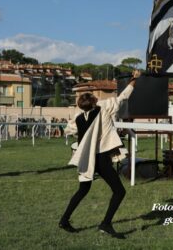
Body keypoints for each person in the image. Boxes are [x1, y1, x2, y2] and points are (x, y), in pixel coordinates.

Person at [59, 70, 141, 239]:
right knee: (119, 191)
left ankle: (64, 220)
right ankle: (105, 224)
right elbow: (123, 96)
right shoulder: (103, 109)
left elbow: (70, 129)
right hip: (100, 158)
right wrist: (134, 79)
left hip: (86, 159)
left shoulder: (79, 117)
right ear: (94, 102)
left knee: (83, 190)